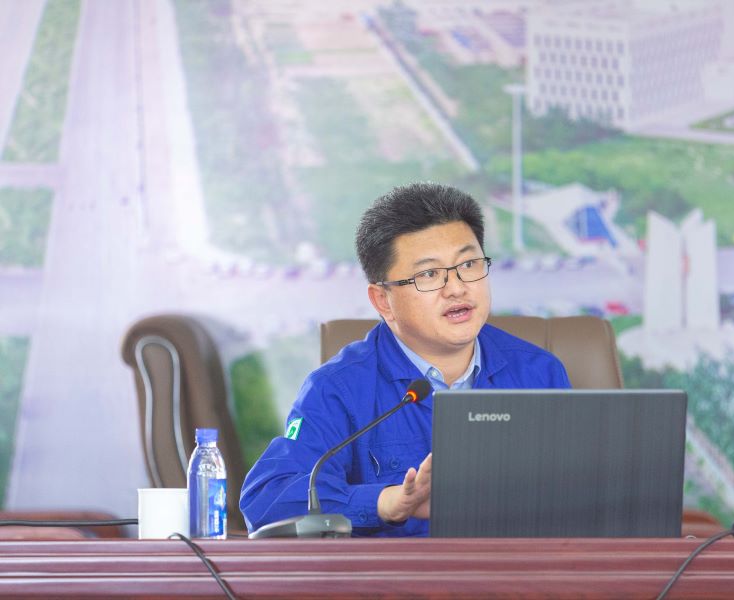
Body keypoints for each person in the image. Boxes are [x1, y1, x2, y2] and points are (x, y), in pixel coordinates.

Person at [240, 182, 571, 536]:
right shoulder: (338, 389)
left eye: (469, 264)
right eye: (429, 274)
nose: (457, 288)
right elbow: (267, 499)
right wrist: (386, 502)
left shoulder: (539, 372)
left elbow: (583, 493)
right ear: (383, 301)